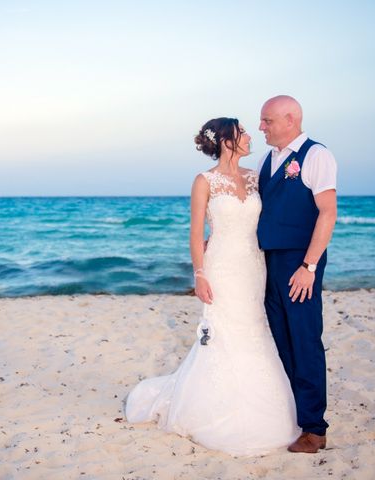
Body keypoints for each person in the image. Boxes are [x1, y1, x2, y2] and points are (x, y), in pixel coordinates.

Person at [124, 117, 301, 456]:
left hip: (253, 265)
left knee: (254, 329)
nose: (250, 136)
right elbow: (194, 233)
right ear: (226, 140)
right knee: (222, 332)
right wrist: (200, 273)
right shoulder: (204, 181)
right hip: (220, 266)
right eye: (243, 131)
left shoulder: (256, 177)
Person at [257, 95, 337, 453]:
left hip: (299, 263)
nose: (261, 127)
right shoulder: (267, 160)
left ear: (290, 119)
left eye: (267, 120)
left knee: (304, 340)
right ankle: (295, 415)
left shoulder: (316, 155)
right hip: (269, 262)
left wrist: (309, 266)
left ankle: (315, 428)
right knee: (282, 340)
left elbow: (327, 213)